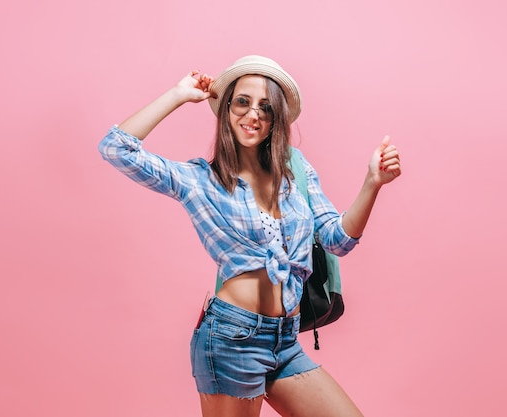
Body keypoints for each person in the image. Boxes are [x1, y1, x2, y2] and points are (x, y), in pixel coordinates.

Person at [98, 55, 401, 417]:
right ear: (226, 109)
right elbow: (116, 148)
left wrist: (372, 184)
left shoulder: (296, 171)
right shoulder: (200, 180)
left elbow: (338, 239)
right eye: (242, 102)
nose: (252, 114)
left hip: (285, 339)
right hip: (232, 338)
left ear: (276, 120)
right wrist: (179, 94)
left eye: (265, 107)